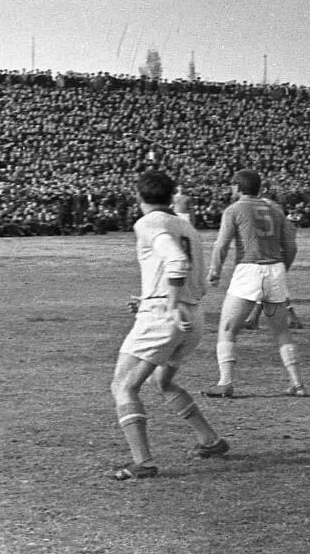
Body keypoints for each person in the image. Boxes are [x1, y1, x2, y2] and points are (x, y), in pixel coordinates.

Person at [108, 170, 229, 481]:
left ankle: (142, 462)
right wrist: (154, 297)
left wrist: (167, 304)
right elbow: (192, 278)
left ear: (139, 196)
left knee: (123, 386)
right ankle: (210, 441)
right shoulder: (185, 225)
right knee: (162, 382)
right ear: (170, 194)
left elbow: (176, 262)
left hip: (166, 316)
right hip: (193, 315)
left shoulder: (148, 222)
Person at [203, 169, 306, 398]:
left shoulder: (234, 209)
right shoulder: (275, 210)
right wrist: (281, 269)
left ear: (238, 188)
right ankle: (297, 383)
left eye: (232, 186)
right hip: (275, 268)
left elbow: (222, 244)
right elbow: (291, 246)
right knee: (281, 331)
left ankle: (225, 382)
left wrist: (214, 271)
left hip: (249, 269)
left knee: (228, 328)